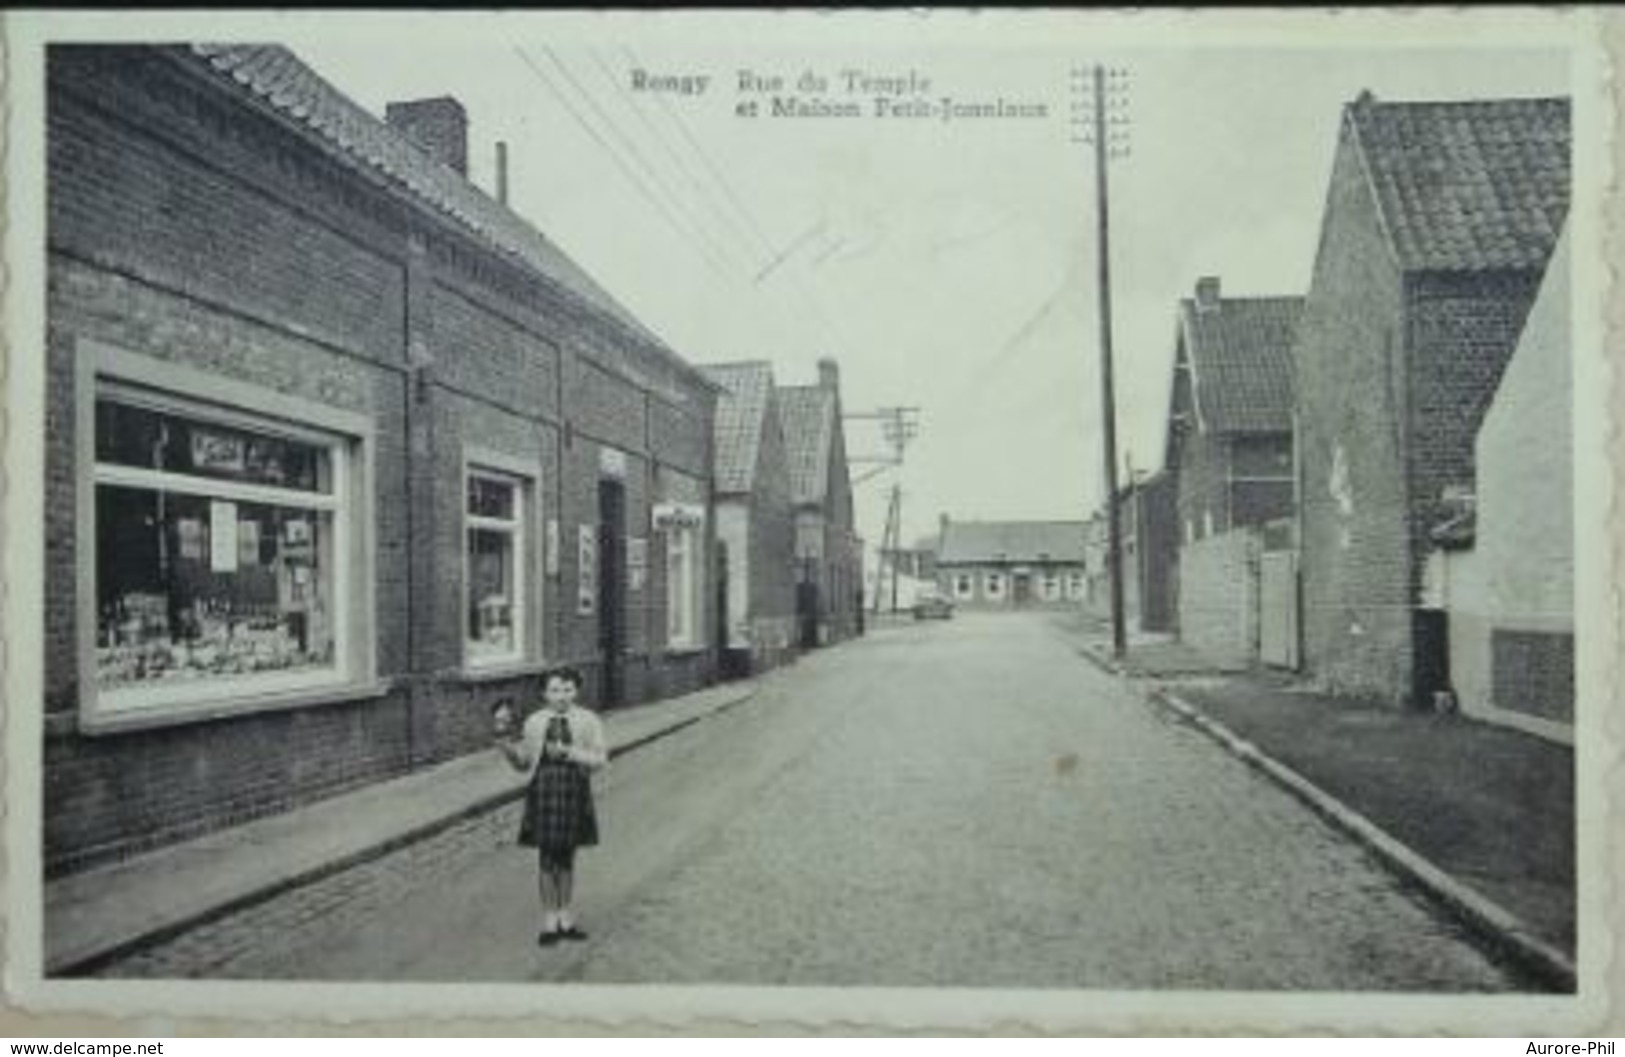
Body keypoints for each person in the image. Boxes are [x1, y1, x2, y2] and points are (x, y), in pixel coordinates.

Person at [493, 666, 607, 946]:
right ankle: (549, 920)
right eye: (555, 690)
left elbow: (600, 759)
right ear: (544, 693)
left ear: (576, 691)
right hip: (543, 791)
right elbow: (523, 763)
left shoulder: (588, 720)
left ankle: (566, 917)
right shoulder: (534, 722)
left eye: (568, 689)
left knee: (566, 858)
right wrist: (504, 741)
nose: (561, 696)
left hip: (573, 791)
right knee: (546, 858)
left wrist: (569, 752)